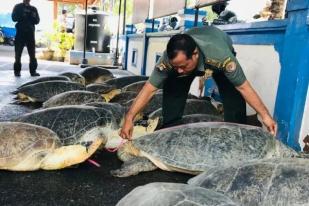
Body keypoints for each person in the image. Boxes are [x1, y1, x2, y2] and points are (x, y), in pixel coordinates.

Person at [120, 26, 277, 140]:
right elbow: (149, 89)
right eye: (176, 66)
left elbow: (243, 87)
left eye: (182, 66)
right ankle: (170, 132)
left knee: (233, 95)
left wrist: (265, 116)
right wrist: (129, 118)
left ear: (195, 55)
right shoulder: (169, 61)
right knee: (173, 88)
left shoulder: (221, 57)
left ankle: (237, 136)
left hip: (217, 45)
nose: (180, 70)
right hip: (193, 45)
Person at [12, 0, 40, 77]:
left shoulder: (33, 9)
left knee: (32, 54)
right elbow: (14, 18)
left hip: (30, 34)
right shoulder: (18, 7)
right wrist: (22, 14)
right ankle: (17, 72)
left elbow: (37, 21)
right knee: (18, 54)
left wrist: (32, 16)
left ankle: (33, 71)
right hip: (20, 33)